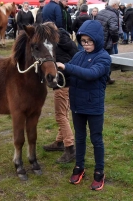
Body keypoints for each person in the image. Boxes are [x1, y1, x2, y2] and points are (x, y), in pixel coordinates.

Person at [56, 20, 111, 191]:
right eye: (83, 41)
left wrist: (66, 67)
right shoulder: (79, 55)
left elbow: (91, 74)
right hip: (77, 106)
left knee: (96, 139)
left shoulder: (104, 57)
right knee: (80, 138)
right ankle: (79, 167)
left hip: (94, 107)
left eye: (90, 41)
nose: (86, 45)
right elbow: (69, 69)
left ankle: (99, 171)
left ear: (97, 40)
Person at [42, 27, 78, 163]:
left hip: (62, 83)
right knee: (64, 113)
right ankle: (59, 141)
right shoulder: (66, 39)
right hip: (71, 81)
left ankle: (70, 148)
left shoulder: (53, 46)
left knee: (60, 116)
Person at [96, 0, 119, 84]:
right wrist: (115, 40)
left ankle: (103, 77)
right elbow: (113, 29)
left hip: (98, 39)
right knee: (109, 60)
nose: (118, 7)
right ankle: (106, 78)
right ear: (114, 5)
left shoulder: (101, 12)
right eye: (117, 5)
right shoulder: (113, 15)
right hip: (107, 41)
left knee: (99, 59)